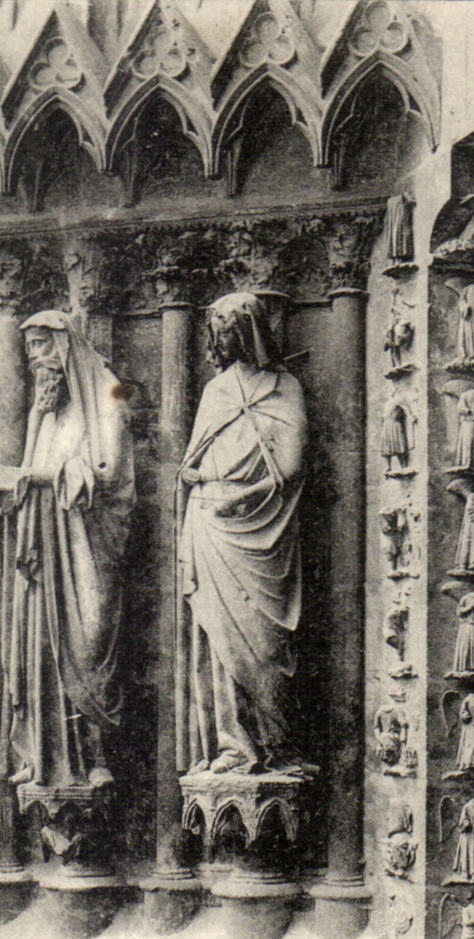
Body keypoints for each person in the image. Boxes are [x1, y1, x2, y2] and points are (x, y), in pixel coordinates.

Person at [0, 311, 133, 789]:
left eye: (42, 347)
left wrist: (35, 477)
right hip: (43, 552)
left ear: (67, 346)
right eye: (30, 349)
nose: (36, 360)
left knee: (89, 639)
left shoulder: (108, 396)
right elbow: (30, 477)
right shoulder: (45, 412)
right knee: (40, 646)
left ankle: (93, 755)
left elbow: (109, 473)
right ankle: (41, 752)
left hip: (84, 550)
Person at [178, 292, 312, 777]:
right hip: (211, 521)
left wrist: (247, 494)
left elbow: (293, 467)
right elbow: (193, 459)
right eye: (216, 332)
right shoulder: (216, 391)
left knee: (267, 641)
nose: (221, 341)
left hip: (263, 524)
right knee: (218, 637)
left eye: (230, 331)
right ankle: (235, 745)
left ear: (251, 331)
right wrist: (192, 477)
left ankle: (277, 744)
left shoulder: (285, 387)